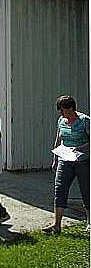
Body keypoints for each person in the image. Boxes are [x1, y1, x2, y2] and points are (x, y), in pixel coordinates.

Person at [43, 95, 90, 234]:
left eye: (63, 110)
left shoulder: (84, 121)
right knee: (60, 189)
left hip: (82, 160)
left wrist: (82, 148)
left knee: (86, 190)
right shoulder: (61, 121)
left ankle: (90, 222)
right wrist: (55, 159)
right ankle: (57, 224)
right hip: (65, 159)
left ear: (70, 108)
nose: (61, 113)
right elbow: (58, 139)